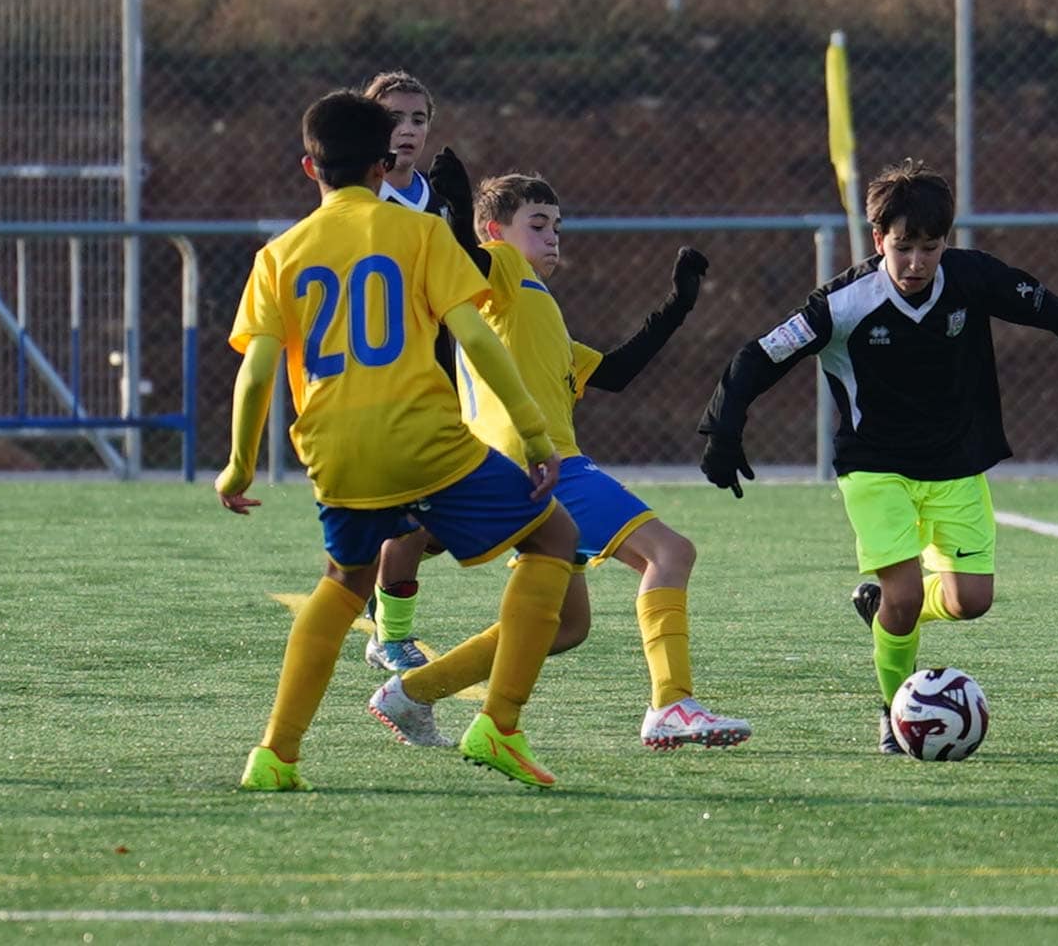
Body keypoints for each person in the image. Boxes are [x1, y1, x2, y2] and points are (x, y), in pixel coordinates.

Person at [697, 159, 1058, 754]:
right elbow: (757, 357)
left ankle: (884, 613)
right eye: (903, 247)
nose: (915, 263)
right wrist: (724, 429)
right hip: (874, 466)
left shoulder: (970, 278)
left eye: (929, 248)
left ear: (946, 243)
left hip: (955, 463)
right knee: (907, 596)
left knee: (970, 602)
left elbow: (1051, 309)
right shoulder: (843, 303)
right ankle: (894, 711)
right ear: (879, 239)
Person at [220, 89, 579, 791]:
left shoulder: (279, 255)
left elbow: (257, 370)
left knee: (344, 582)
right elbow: (475, 335)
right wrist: (535, 434)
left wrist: (237, 466)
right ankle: (500, 726)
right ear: (384, 167)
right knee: (554, 539)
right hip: (427, 442)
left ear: (308, 167)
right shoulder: (419, 235)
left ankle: (275, 755)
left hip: (335, 451)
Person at [379, 169, 752, 750]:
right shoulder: (499, 270)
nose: (553, 236)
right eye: (537, 224)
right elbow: (467, 259)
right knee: (671, 552)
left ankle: (412, 693)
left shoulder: (534, 306)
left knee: (561, 627)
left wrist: (676, 307)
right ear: (496, 233)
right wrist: (455, 207)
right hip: (541, 467)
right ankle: (673, 704)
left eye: (557, 226)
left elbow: (617, 372)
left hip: (518, 476)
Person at [355, 69, 470, 673]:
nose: (406, 130)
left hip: (446, 376)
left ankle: (363, 572)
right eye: (392, 119)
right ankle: (390, 637)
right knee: (414, 512)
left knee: (446, 524)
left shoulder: (439, 197)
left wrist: (467, 219)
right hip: (383, 382)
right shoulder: (358, 198)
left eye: (417, 119)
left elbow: (469, 283)